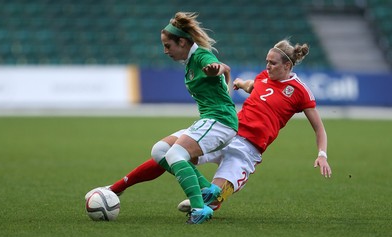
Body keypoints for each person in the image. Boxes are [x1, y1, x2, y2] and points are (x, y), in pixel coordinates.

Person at [86, 38, 332, 220]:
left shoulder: (300, 91)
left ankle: (208, 198)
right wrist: (240, 83)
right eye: (266, 62)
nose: (267, 66)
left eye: (273, 63)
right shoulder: (263, 76)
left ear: (288, 66)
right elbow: (254, 85)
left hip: (248, 150)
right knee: (167, 152)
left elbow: (319, 128)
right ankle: (116, 188)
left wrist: (322, 155)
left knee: (213, 202)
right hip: (226, 133)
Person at [86, 12, 238, 224]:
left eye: (168, 45)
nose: (165, 51)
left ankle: (199, 209)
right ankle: (207, 189)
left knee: (176, 154)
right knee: (160, 151)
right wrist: (223, 78)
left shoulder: (201, 57)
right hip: (212, 120)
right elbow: (227, 71)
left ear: (182, 42)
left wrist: (216, 70)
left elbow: (220, 66)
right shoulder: (191, 60)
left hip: (220, 122)